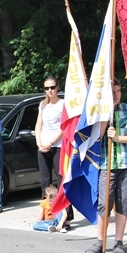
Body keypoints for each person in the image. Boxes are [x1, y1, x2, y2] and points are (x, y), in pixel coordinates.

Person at [83, 80, 127, 253]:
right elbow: (96, 138)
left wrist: (118, 137)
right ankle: (100, 242)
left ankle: (118, 242)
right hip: (106, 164)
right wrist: (104, 118)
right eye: (112, 92)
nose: (116, 95)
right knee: (104, 203)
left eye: (118, 91)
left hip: (126, 163)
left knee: (123, 204)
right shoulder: (99, 113)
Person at [34, 76, 72, 227]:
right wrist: (39, 142)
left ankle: (66, 216)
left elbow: (64, 127)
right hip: (43, 145)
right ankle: (47, 213)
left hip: (58, 145)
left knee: (61, 180)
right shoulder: (43, 105)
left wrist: (50, 143)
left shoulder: (63, 104)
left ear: (57, 88)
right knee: (45, 181)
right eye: (47, 88)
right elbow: (38, 125)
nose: (50, 90)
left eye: (52, 87)